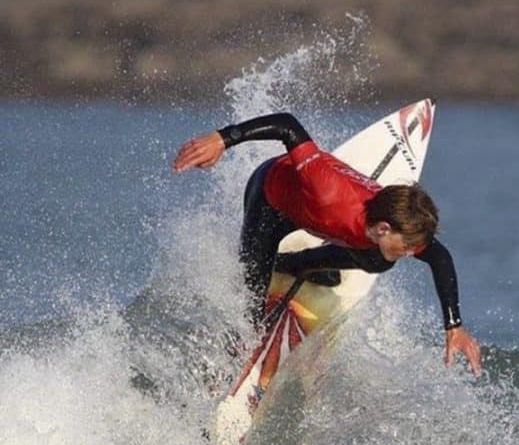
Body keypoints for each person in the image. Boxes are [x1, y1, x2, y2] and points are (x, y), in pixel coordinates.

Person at [172, 112, 482, 375]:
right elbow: (287, 125)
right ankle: (226, 360)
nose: (411, 254)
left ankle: (300, 264)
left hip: (315, 217)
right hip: (271, 200)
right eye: (406, 247)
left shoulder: (387, 230)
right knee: (252, 304)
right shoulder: (329, 191)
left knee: (379, 261)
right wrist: (222, 139)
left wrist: (453, 326)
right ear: (385, 228)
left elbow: (440, 257)